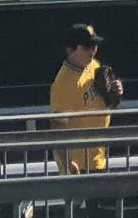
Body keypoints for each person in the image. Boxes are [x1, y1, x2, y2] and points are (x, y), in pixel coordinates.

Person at [50, 23, 120, 176]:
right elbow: (57, 127)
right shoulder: (64, 82)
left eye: (94, 45)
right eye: (87, 47)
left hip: (98, 158)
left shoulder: (94, 67)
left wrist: (115, 91)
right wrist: (67, 162)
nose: (93, 50)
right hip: (78, 166)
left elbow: (106, 100)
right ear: (71, 50)